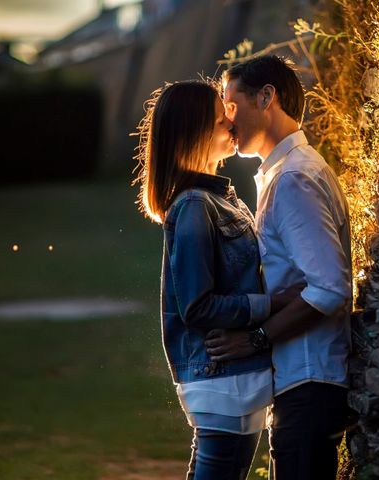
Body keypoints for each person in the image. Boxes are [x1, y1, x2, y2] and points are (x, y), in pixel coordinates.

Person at [133, 80, 298, 480]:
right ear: (194, 132)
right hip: (220, 380)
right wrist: (273, 304)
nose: (230, 121)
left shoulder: (222, 197)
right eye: (218, 117)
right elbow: (197, 306)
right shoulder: (193, 206)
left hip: (239, 378)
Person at [204, 55, 353, 479]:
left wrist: (254, 339)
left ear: (266, 97)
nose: (227, 121)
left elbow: (329, 289)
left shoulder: (293, 179)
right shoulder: (282, 175)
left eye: (231, 106)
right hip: (299, 382)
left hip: (309, 380)